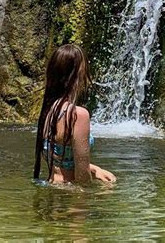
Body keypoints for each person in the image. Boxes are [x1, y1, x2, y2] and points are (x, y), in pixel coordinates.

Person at [33, 43, 116, 185]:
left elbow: (60, 161)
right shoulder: (78, 115)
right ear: (78, 75)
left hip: (52, 188)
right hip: (70, 197)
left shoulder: (49, 110)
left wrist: (96, 170)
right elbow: (82, 177)